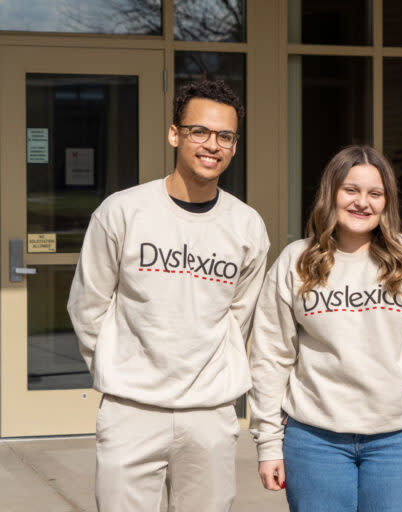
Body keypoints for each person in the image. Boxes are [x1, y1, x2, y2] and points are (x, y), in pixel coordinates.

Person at [67, 80, 270, 512]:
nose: (212, 144)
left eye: (225, 136)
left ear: (235, 146)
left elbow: (239, 317)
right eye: (199, 131)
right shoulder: (122, 211)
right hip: (132, 410)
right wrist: (116, 365)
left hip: (209, 413)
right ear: (175, 134)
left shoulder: (247, 225)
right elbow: (88, 306)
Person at [249, 145, 402, 512]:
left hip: (399, 440)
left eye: (374, 193)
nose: (362, 202)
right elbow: (270, 357)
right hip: (315, 439)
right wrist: (268, 442)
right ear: (331, 193)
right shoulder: (296, 262)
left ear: (387, 202)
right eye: (351, 190)